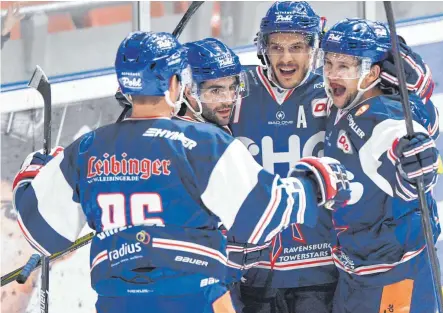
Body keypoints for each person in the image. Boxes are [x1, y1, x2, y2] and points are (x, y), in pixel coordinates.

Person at [12, 31, 351, 313]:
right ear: (176, 83)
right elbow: (263, 216)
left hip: (117, 303)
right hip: (192, 300)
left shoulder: (87, 149)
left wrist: (36, 169)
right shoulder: (204, 143)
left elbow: (40, 230)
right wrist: (316, 182)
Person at [230, 2, 439, 313]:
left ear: (314, 47)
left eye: (298, 46)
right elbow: (191, 108)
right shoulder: (235, 91)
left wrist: (401, 59)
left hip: (325, 271)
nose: (286, 57)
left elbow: (402, 117)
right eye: (277, 47)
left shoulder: (339, 94)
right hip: (256, 271)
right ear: (264, 48)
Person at [315, 18, 441, 313]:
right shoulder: (348, 103)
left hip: (396, 274)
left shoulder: (378, 114)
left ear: (371, 74)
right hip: (360, 269)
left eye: (344, 66)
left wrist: (412, 161)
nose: (333, 74)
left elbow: (394, 139)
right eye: (329, 63)